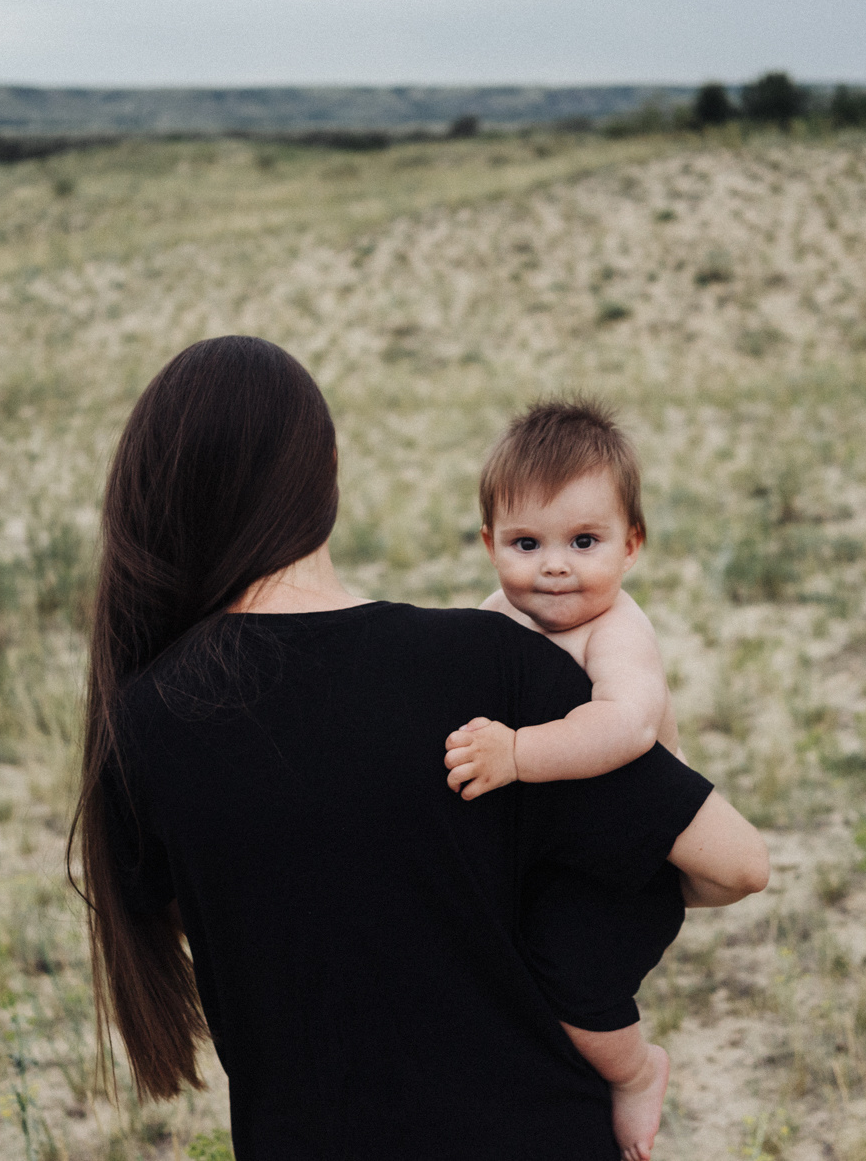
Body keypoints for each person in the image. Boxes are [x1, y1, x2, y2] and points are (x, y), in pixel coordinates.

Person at [74, 336, 768, 1160]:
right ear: (327, 471)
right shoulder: (488, 665)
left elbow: (245, 923)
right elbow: (736, 863)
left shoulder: (144, 721)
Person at [443, 397, 689, 1159]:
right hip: (562, 849)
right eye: (526, 541)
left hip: (627, 866)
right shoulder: (498, 617)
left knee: (571, 982)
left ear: (631, 545)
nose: (554, 564)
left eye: (584, 540)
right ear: (489, 544)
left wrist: (516, 754)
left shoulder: (616, 630)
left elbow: (627, 725)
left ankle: (637, 1069)